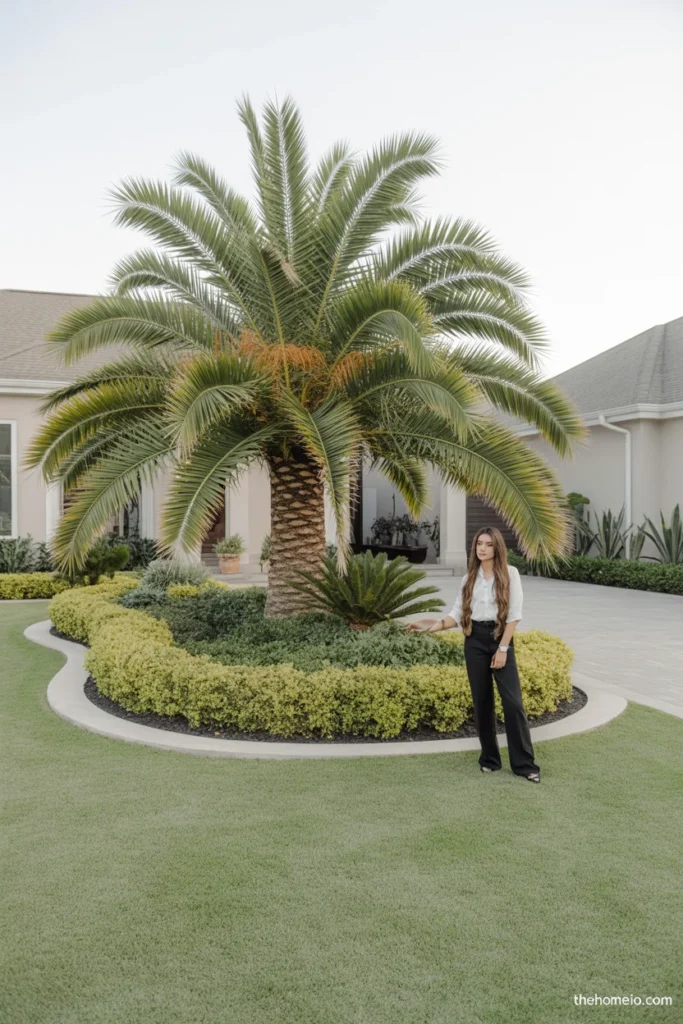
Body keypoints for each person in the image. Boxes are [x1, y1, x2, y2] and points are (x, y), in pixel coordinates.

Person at [406, 526, 541, 783]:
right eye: (479, 543)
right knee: (482, 702)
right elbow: (456, 613)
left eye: (488, 544)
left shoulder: (510, 574)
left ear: (497, 548)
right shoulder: (469, 578)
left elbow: (514, 614)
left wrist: (503, 649)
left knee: (513, 704)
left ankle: (525, 765)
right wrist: (431, 626)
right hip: (474, 640)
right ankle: (489, 759)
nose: (482, 548)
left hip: (500, 638)